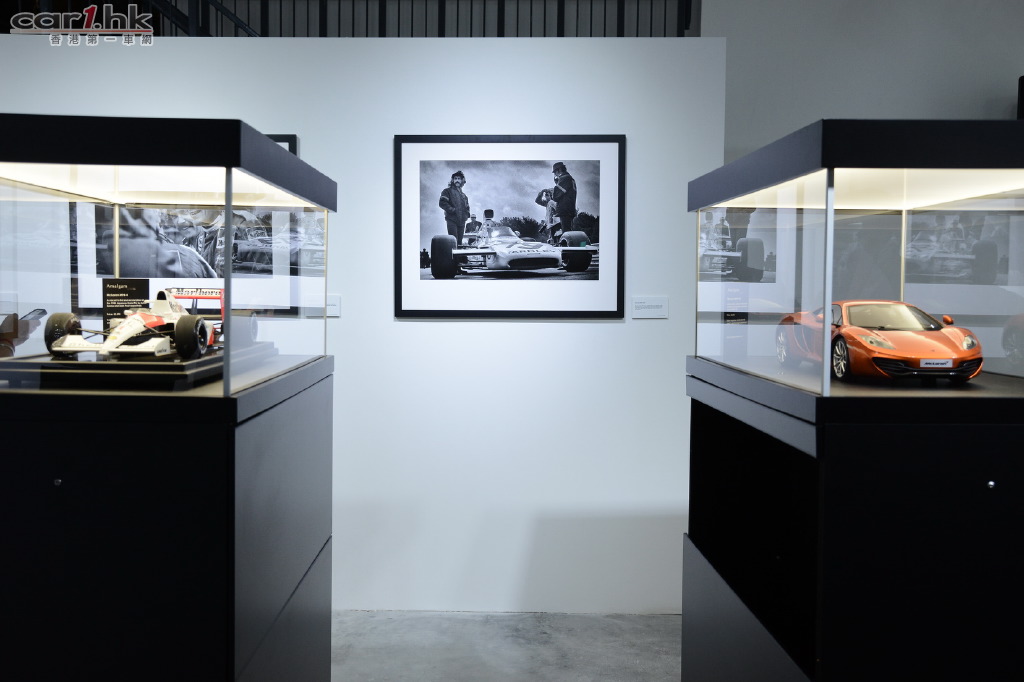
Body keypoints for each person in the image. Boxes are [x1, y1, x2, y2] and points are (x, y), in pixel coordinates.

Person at [438, 170, 470, 247]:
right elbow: (442, 203)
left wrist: (466, 215)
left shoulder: (464, 196)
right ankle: (453, 255)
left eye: (459, 179)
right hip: (452, 219)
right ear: (452, 180)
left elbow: (467, 207)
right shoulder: (447, 191)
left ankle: (459, 255)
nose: (457, 180)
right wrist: (452, 210)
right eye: (455, 178)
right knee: (453, 241)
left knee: (459, 242)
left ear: (462, 180)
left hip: (462, 221)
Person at [550, 162, 577, 239]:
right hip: (570, 208)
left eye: (555, 172)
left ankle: (567, 246)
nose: (555, 174)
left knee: (566, 234)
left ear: (559, 170)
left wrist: (555, 187)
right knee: (568, 231)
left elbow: (555, 197)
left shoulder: (564, 178)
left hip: (564, 209)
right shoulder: (570, 178)